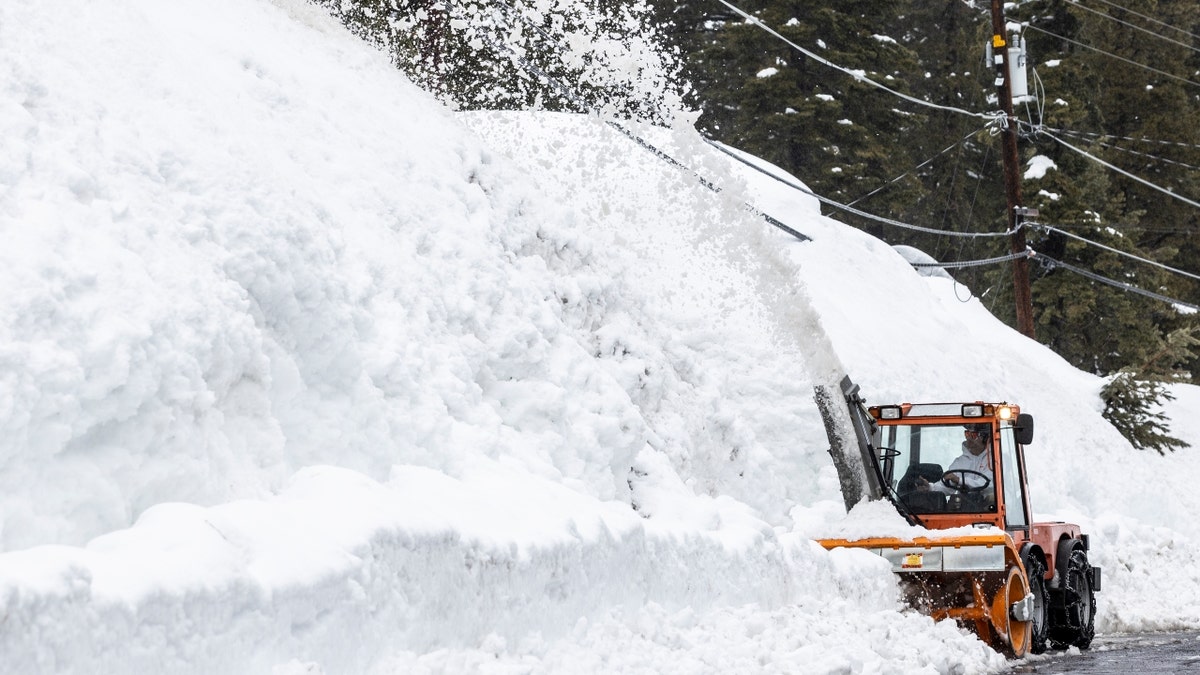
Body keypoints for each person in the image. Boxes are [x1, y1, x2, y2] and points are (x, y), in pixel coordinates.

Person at [918, 423, 994, 495]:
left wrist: (959, 480)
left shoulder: (994, 460)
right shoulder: (960, 462)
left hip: (988, 505)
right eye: (967, 434)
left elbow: (989, 484)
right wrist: (930, 487)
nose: (969, 438)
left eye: (973, 435)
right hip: (966, 505)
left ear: (985, 438)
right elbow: (946, 486)